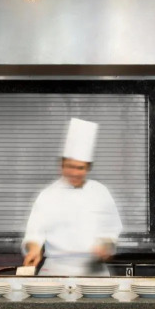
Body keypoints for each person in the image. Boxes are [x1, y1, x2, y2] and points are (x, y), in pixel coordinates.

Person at [22, 118, 123, 276]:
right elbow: (34, 233)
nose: (75, 172)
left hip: (94, 271)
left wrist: (106, 245)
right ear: (62, 165)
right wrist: (34, 249)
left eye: (80, 168)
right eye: (70, 166)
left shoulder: (101, 192)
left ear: (88, 168)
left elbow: (112, 229)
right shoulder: (47, 196)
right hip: (56, 269)